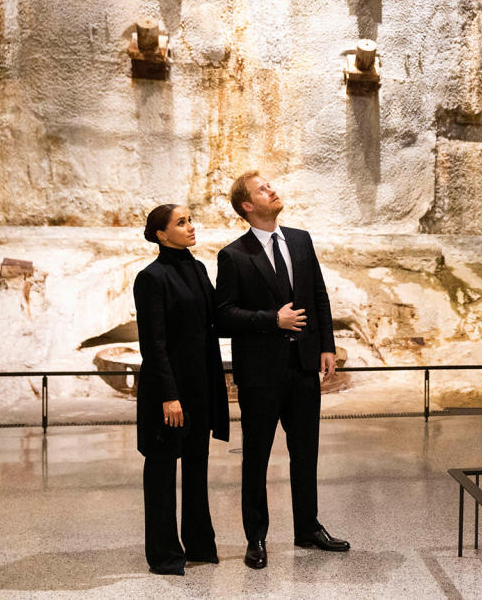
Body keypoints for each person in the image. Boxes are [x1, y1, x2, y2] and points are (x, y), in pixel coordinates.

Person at [216, 172, 349, 570]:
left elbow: (318, 295)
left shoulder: (301, 240)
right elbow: (223, 317)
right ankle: (256, 536)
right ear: (247, 206)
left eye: (270, 185)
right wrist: (271, 319)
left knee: (305, 453)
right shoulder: (234, 255)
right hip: (259, 373)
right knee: (255, 457)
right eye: (262, 189)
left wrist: (326, 344)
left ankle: (307, 528)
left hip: (303, 366)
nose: (272, 190)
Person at [134, 204, 230, 575]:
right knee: (161, 472)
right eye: (181, 222)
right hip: (168, 392)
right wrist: (168, 396)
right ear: (161, 234)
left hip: (199, 388)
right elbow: (153, 345)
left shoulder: (197, 268)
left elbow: (214, 322)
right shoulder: (151, 278)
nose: (191, 227)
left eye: (190, 220)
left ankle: (200, 546)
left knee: (196, 468)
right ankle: (164, 554)